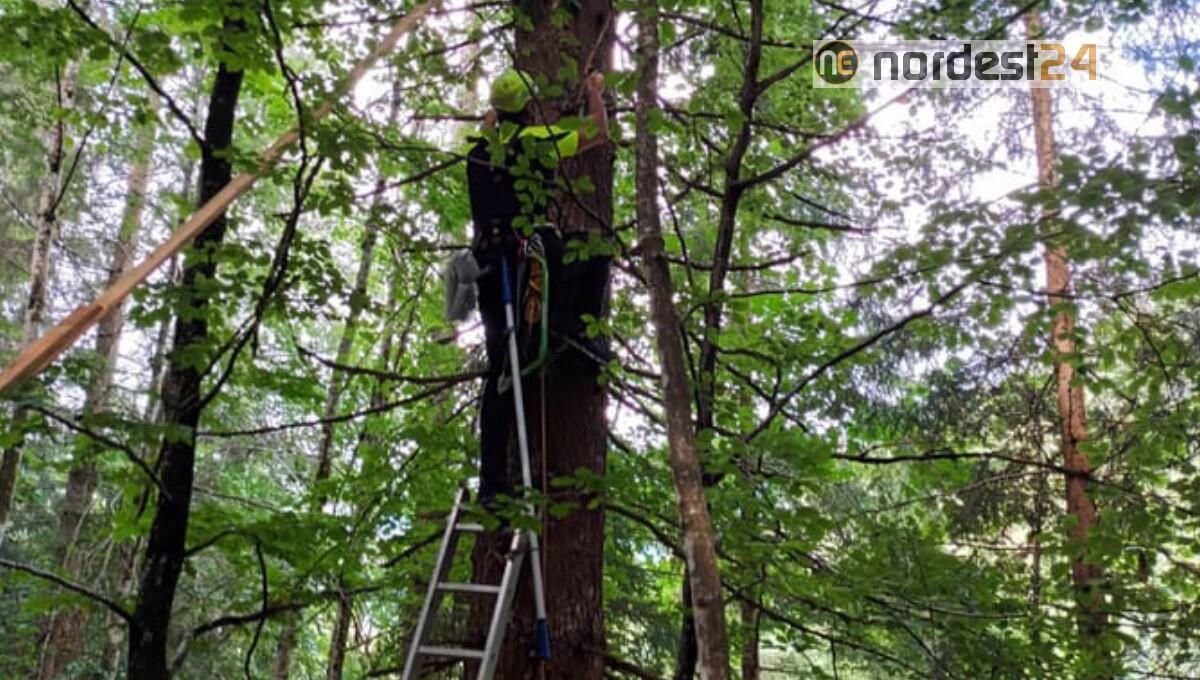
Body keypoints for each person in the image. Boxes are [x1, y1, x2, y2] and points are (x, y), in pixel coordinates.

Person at [465, 68, 610, 506]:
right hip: (528, 256)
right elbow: (598, 133)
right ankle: (576, 334)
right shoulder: (536, 141)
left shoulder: (476, 150)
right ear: (528, 108)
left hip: (488, 264)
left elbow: (491, 131)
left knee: (499, 371)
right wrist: (593, 92)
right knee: (595, 251)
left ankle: (491, 484)